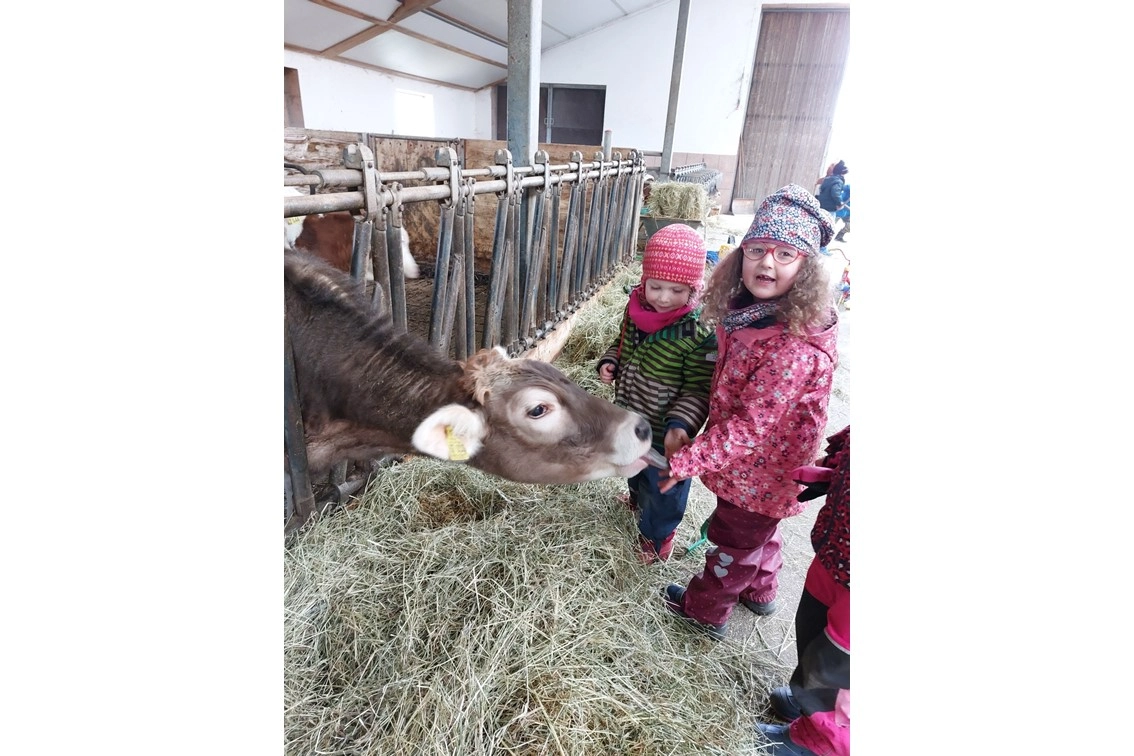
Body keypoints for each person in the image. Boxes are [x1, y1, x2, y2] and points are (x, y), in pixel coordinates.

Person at [657, 184, 839, 640]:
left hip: (759, 469)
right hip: (766, 474)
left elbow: (749, 429)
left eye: (785, 254)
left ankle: (705, 610)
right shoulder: (759, 313)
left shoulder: (793, 345)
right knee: (762, 528)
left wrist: (686, 461)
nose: (766, 262)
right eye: (756, 249)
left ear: (807, 267)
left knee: (731, 543)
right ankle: (760, 590)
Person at [597, 223, 716, 564]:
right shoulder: (636, 310)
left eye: (677, 290)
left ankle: (658, 536)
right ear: (643, 281)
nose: (663, 297)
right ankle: (636, 499)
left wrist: (681, 425)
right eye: (656, 286)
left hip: (668, 433)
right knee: (634, 467)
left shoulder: (700, 329)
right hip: (632, 415)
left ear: (693, 287)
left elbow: (698, 386)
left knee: (665, 487)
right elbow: (622, 345)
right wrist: (611, 361)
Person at [756, 425, 850, 756]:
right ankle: (810, 705)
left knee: (839, 661)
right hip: (840, 546)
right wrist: (838, 465)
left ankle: (821, 742)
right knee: (812, 625)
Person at [816, 160, 848, 241]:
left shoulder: (827, 179)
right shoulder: (838, 181)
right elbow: (835, 193)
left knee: (820, 227)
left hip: (821, 205)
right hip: (830, 208)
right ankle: (822, 248)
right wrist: (839, 203)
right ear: (842, 173)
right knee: (828, 229)